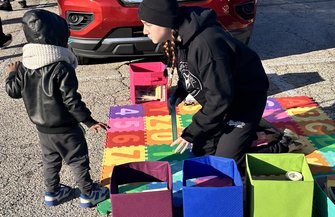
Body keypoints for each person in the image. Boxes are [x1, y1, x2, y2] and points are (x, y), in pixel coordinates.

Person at [138, 0, 304, 169]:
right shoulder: (179, 36)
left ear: (165, 21)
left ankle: (284, 143)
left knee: (226, 163)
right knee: (203, 152)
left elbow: (220, 99)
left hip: (243, 103)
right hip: (223, 102)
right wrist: (177, 94)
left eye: (148, 25)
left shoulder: (206, 45)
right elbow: (187, 72)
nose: (145, 31)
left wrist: (191, 132)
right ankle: (254, 133)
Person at [4, 9, 109, 207]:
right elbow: (71, 101)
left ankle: (52, 193)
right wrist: (89, 121)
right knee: (77, 159)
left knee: (50, 161)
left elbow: (13, 91)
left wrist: (12, 74)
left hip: (43, 129)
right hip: (66, 128)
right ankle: (88, 193)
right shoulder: (61, 67)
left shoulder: (25, 66)